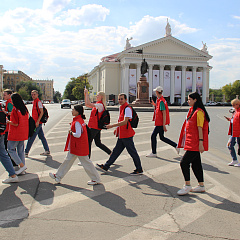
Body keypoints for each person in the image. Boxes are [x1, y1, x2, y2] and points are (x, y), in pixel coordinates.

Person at [49, 105, 101, 185]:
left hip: (78, 147)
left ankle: (96, 179)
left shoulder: (77, 122)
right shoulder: (80, 120)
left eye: (73, 109)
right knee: (68, 161)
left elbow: (78, 134)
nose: (72, 111)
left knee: (85, 163)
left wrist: (71, 132)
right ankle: (58, 176)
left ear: (77, 112)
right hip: (78, 146)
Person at [96, 93, 143, 175]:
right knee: (115, 152)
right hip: (122, 134)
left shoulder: (127, 109)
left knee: (132, 152)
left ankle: (139, 169)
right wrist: (117, 129)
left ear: (126, 100)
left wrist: (112, 126)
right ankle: (106, 166)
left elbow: (125, 122)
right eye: (119, 99)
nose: (120, 100)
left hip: (127, 135)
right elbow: (120, 120)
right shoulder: (122, 108)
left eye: (122, 99)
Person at [177, 92, 210, 196]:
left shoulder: (199, 112)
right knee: (196, 165)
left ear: (195, 100)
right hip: (191, 141)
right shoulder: (192, 111)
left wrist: (201, 143)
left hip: (195, 142)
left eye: (189, 99)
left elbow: (200, 128)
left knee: (184, 163)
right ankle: (201, 186)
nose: (188, 101)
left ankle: (187, 185)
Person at [146, 86, 179, 158]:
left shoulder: (161, 101)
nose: (155, 93)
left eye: (155, 92)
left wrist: (164, 125)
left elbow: (164, 113)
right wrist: (154, 104)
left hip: (160, 123)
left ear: (157, 92)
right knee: (162, 137)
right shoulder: (161, 100)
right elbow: (160, 109)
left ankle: (154, 152)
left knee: (153, 136)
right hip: (160, 122)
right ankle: (176, 146)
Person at [84, 88, 111, 158]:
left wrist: (87, 94)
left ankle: (87, 160)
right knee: (98, 143)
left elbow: (88, 103)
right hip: (96, 127)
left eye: (98, 95)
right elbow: (87, 104)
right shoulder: (98, 104)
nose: (96, 96)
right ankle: (111, 153)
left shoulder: (100, 105)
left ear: (102, 97)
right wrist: (85, 95)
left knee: (88, 142)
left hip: (94, 127)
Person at [7, 93, 29, 176]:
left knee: (10, 149)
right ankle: (22, 169)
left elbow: (15, 123)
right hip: (23, 132)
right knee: (21, 151)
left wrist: (8, 121)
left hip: (15, 133)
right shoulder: (24, 109)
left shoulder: (15, 109)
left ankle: (22, 166)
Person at [25, 90, 50, 157]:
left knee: (31, 137)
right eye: (32, 94)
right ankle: (47, 150)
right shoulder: (35, 102)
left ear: (37, 95)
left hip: (37, 123)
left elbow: (41, 112)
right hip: (36, 122)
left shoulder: (38, 102)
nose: (33, 96)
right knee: (41, 137)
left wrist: (38, 121)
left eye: (34, 94)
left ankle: (26, 152)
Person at [0, 103, 19, 183]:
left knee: (3, 154)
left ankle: (13, 175)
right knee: (3, 154)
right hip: (1, 133)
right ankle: (13, 175)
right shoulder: (1, 104)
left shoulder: (8, 103)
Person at [225, 98, 240, 167]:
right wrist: (230, 119)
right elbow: (234, 120)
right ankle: (234, 160)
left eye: (234, 105)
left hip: (238, 132)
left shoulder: (239, 112)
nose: (232, 106)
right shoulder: (236, 111)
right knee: (229, 145)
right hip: (234, 132)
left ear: (238, 104)